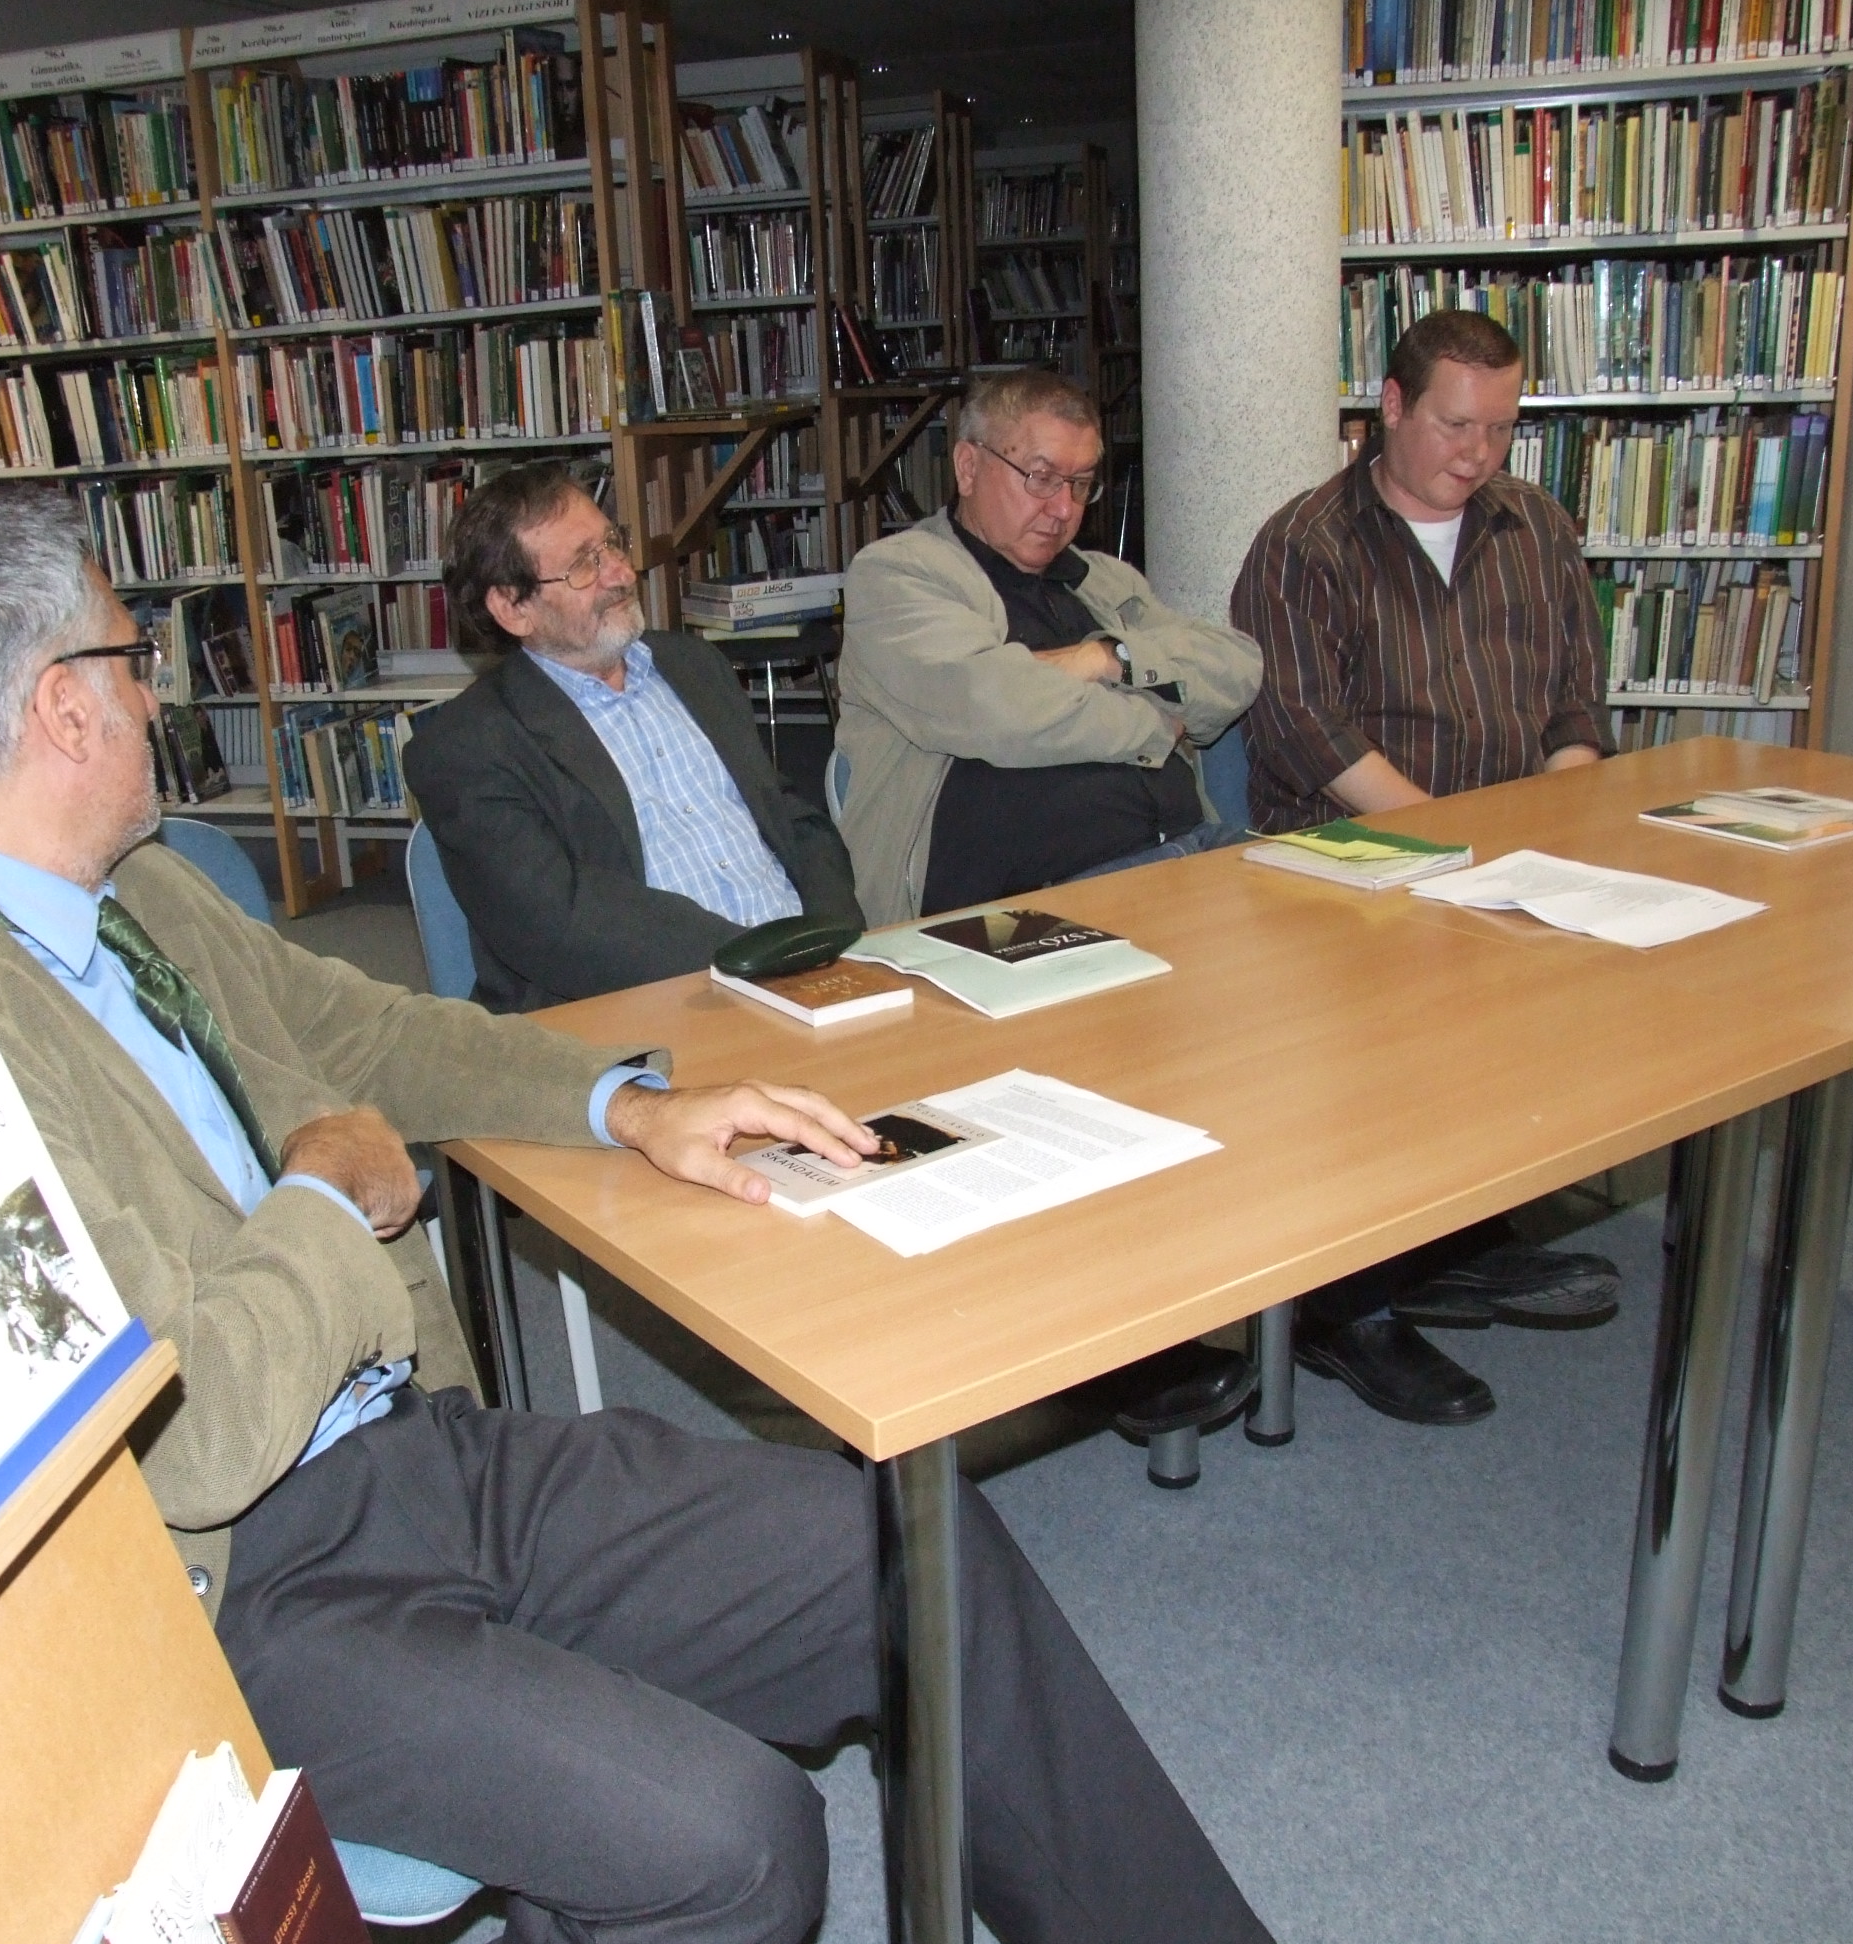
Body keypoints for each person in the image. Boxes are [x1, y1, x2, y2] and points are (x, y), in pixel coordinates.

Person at [0, 494, 1276, 1944]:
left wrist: (627, 1106)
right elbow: (190, 1434)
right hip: (237, 1591)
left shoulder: (136, 887)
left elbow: (364, 1025)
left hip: (412, 1444)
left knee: (912, 1560)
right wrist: (327, 1193)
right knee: (738, 1841)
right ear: (64, 707)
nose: (156, 696)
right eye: (133, 659)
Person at [1229, 308, 1619, 1428]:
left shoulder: (1536, 527)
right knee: (1371, 1052)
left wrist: (1564, 803)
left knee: (1548, 1015)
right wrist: (1457, 845)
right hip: (1346, 867)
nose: (1478, 453)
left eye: (1500, 428)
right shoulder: (1306, 543)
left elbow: (1574, 699)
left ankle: (1455, 1239)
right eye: (1455, 425)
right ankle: (1346, 1308)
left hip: (1506, 850)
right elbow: (1305, 730)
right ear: (1390, 408)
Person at [403, 464, 860, 1011]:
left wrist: (832, 933)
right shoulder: (467, 747)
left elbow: (788, 816)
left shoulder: (694, 666)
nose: (621, 573)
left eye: (612, 544)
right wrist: (763, 962)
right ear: (513, 607)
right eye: (583, 564)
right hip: (656, 1003)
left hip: (808, 970)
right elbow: (558, 922)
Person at [836, 367, 1265, 929]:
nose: (1064, 509)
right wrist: (1158, 722)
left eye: (1080, 484)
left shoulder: (1103, 581)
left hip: (1189, 853)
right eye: (1041, 478)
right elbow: (994, 709)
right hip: (1016, 910)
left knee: (1335, 928)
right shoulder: (897, 575)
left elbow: (1238, 664)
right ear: (968, 467)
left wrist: (1107, 658)